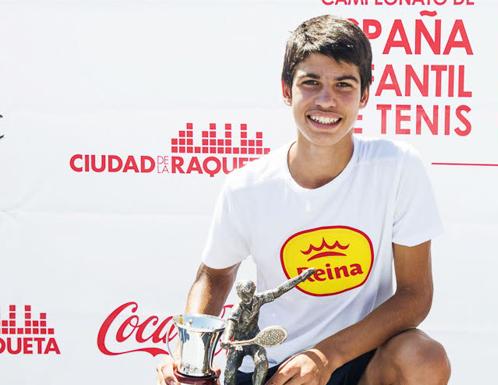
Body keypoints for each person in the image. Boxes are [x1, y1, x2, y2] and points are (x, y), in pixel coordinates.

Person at [157, 14, 450, 385]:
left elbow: (414, 295)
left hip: (360, 359)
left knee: (423, 358)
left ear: (364, 96)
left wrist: (325, 357)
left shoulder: (396, 167)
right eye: (311, 82)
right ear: (286, 90)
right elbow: (214, 276)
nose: (326, 100)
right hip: (271, 366)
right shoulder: (248, 186)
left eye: (344, 84)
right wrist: (190, 357)